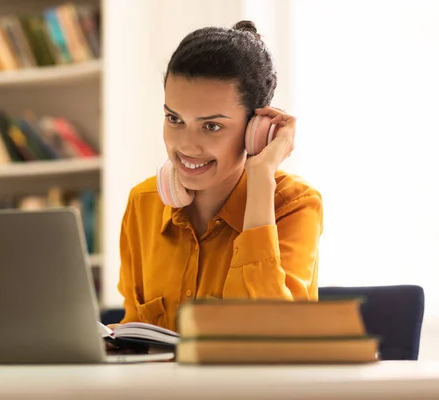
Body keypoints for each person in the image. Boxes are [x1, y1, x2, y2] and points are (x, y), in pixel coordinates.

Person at [111, 20, 323, 333]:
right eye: (174, 119)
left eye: (211, 126)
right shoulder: (143, 204)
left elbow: (277, 335)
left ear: (258, 131)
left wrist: (262, 176)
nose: (185, 146)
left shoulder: (294, 205)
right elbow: (135, 337)